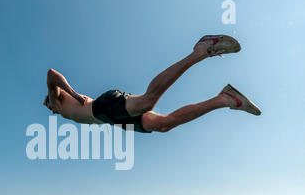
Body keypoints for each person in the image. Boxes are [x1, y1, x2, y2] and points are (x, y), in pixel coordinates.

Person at [43, 35, 261, 133]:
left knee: (147, 102)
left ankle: (201, 50)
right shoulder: (64, 112)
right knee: (164, 125)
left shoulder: (57, 101)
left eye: (49, 107)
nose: (51, 110)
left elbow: (52, 74)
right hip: (113, 120)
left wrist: (74, 94)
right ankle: (225, 98)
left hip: (104, 106)